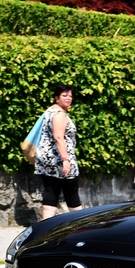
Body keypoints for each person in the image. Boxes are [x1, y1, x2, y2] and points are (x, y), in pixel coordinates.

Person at [34, 84, 82, 219]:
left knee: (51, 193)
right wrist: (65, 160)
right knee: (72, 194)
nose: (68, 98)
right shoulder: (60, 114)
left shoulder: (49, 112)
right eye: (64, 95)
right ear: (56, 98)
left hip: (47, 161)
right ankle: (80, 223)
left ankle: (46, 227)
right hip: (59, 160)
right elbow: (58, 137)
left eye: (70, 96)